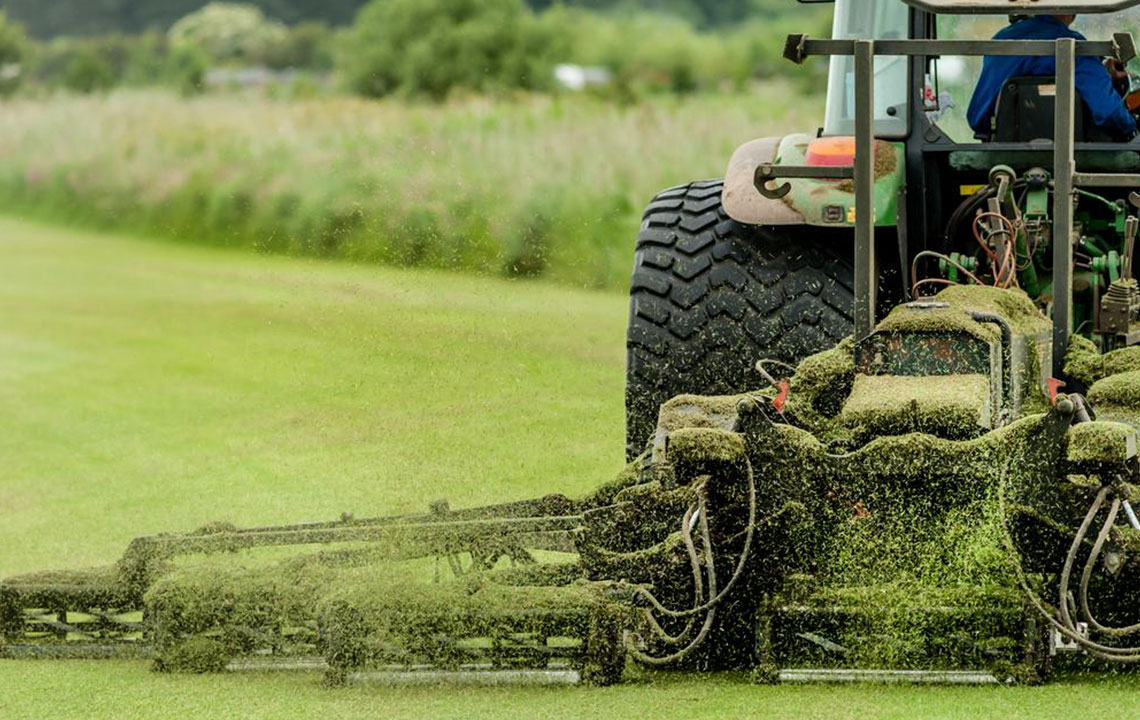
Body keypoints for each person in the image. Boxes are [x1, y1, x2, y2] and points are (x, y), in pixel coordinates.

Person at [967, 14, 1136, 140]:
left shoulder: (1002, 41)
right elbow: (1108, 112)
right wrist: (1131, 128)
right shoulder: (1075, 47)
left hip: (1005, 165)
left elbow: (977, 117)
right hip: (1077, 163)